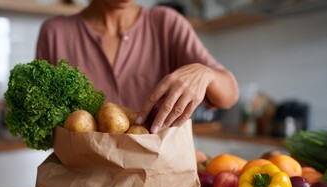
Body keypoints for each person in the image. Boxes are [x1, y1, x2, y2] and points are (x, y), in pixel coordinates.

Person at [36, 0, 238, 133]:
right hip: (83, 186)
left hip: (154, 181)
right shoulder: (55, 33)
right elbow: (43, 124)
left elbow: (230, 95)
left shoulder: (166, 23)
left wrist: (205, 73)